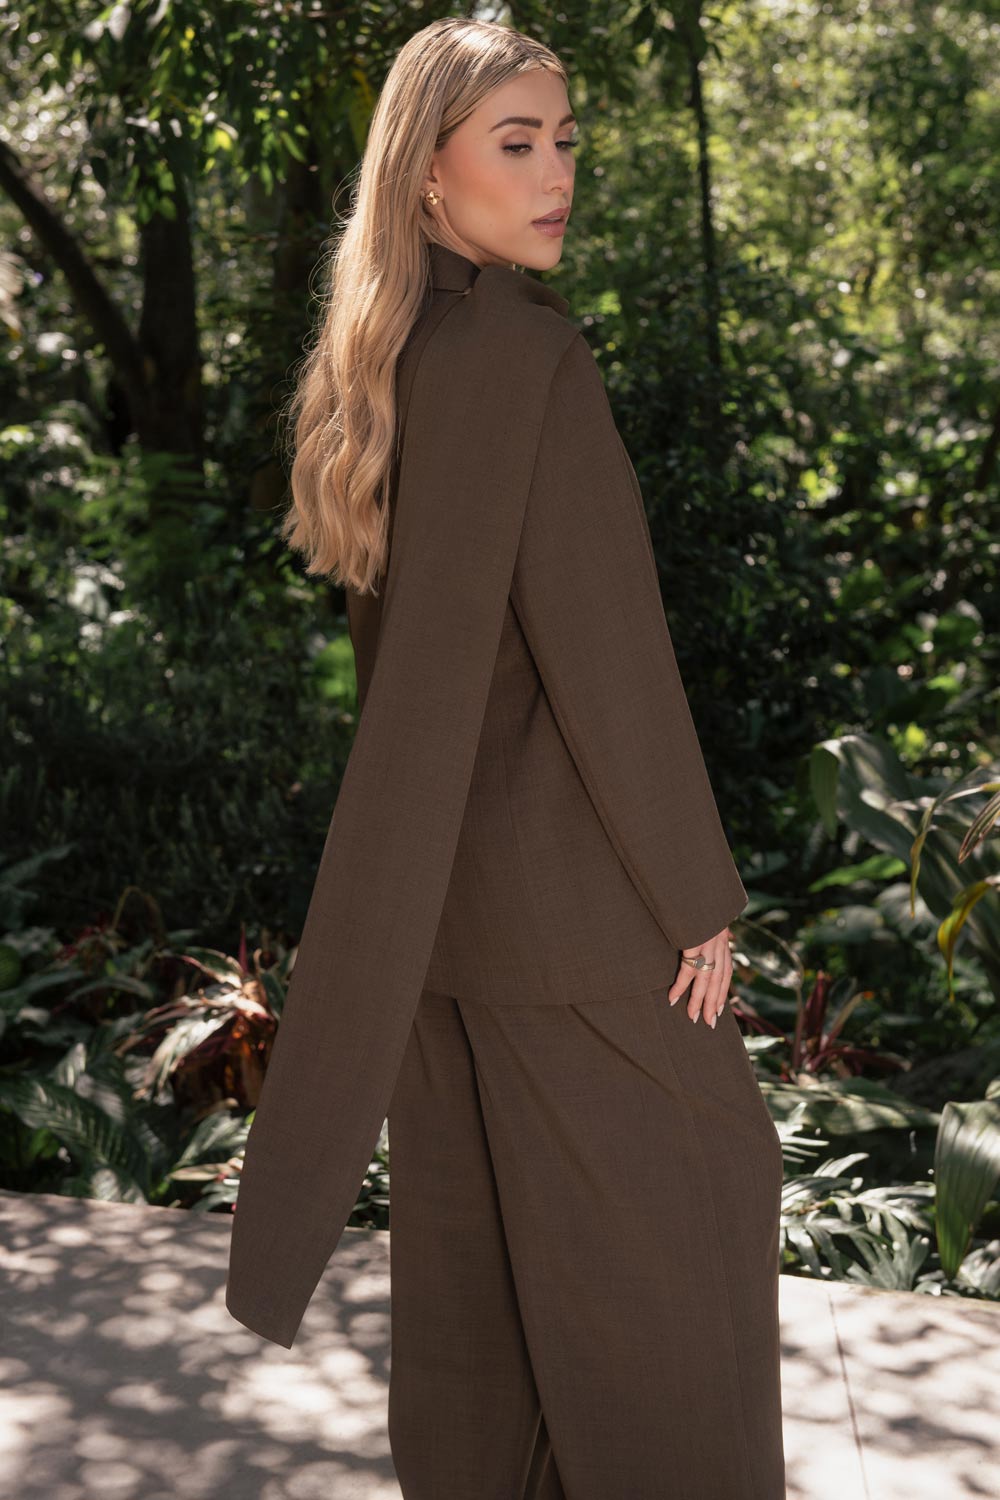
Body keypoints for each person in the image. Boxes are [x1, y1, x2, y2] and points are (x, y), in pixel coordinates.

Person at [225, 16, 786, 1499]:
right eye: (517, 144)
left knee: (477, 1305)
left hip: (443, 921)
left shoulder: (383, 364)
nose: (556, 176)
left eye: (566, 142)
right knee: (684, 1264)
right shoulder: (531, 358)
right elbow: (608, 657)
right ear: (427, 174)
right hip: (580, 922)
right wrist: (696, 893)